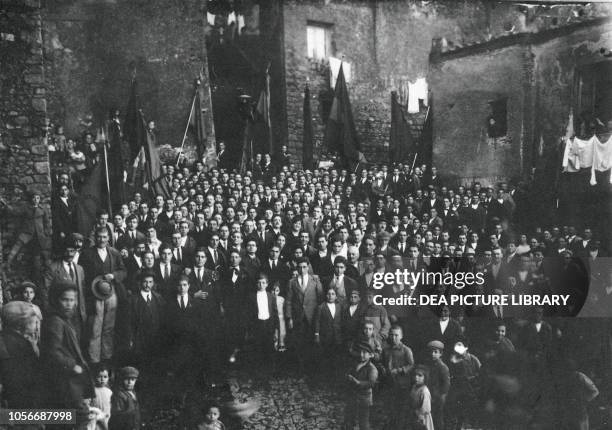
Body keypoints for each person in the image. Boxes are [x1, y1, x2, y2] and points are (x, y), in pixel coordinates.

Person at [41, 280, 95, 415]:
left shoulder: (65, 320)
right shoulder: (55, 321)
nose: (69, 304)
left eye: (72, 300)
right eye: (65, 300)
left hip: (70, 381)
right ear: (55, 300)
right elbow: (53, 352)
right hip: (64, 381)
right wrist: (73, 366)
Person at [0, 301, 44, 409]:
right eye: (34, 322)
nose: (37, 326)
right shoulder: (23, 345)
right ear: (21, 324)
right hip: (22, 401)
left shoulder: (5, 338)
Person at [382, 325, 414, 430]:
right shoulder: (386, 350)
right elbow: (383, 363)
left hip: (402, 384)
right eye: (391, 335)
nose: (393, 338)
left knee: (401, 409)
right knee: (391, 407)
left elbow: (411, 365)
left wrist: (400, 370)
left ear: (401, 336)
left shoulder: (406, 350)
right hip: (390, 383)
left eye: (396, 335)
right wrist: (382, 368)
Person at [343, 340, 378, 430]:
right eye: (360, 352)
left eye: (365, 353)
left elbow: (371, 383)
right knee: (349, 418)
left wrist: (358, 382)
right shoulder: (355, 363)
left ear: (371, 355)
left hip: (364, 399)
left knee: (363, 422)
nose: (361, 355)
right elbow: (349, 372)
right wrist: (347, 376)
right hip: (353, 396)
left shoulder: (372, 369)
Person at [426, 340, 450, 430]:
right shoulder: (428, 365)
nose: (433, 354)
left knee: (438, 418)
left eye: (435, 352)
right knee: (429, 418)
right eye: (431, 352)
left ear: (441, 354)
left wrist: (440, 396)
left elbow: (446, 385)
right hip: (429, 395)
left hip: (438, 397)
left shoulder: (443, 367)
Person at [408, 365, 434, 430]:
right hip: (414, 415)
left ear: (425, 378)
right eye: (415, 375)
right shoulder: (414, 387)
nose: (416, 378)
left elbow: (425, 409)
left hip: (422, 418)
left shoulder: (424, 391)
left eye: (420, 376)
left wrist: (419, 416)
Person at [91, 362, 113, 429]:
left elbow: (111, 406)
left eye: (105, 377)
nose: (102, 379)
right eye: (99, 377)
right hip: (95, 420)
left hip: (107, 419)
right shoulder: (92, 390)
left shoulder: (109, 392)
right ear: (94, 377)